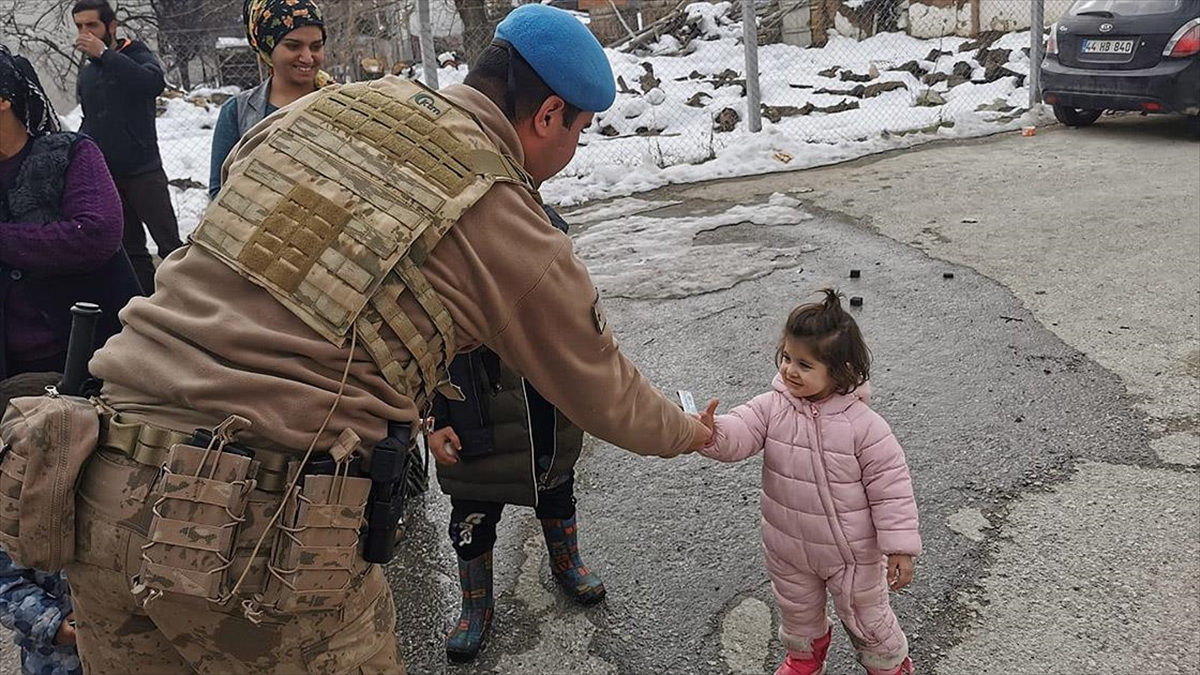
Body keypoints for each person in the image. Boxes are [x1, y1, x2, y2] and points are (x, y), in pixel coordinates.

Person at [66, 5, 710, 673]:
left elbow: (244, 213)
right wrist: (692, 432)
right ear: (549, 115)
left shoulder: (328, 110)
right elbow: (606, 394)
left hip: (99, 486)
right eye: (579, 131)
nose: (573, 153)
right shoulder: (507, 218)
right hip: (252, 535)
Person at [0, 44, 137, 675]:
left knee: (102, 525)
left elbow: (95, 233)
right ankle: (55, 641)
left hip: (97, 371)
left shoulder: (70, 155)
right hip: (12, 386)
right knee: (28, 538)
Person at [698, 289, 921, 675]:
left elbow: (892, 488)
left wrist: (900, 547)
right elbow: (740, 432)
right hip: (788, 547)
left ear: (840, 370)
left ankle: (889, 664)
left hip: (851, 554)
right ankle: (804, 657)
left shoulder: (863, 426)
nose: (789, 371)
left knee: (868, 619)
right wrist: (710, 433)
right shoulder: (771, 406)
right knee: (797, 612)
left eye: (804, 364)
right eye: (786, 357)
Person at [427, 204, 603, 662]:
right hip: (473, 420)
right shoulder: (448, 273)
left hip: (546, 417)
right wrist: (434, 417)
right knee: (473, 514)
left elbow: (589, 341)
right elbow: (422, 356)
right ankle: (475, 604)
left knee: (557, 491)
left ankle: (567, 563)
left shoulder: (552, 259)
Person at [73, 0, 182, 295]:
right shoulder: (88, 72)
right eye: (79, 26)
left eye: (91, 25)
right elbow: (91, 118)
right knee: (132, 252)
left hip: (144, 171)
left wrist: (105, 54)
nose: (85, 33)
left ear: (111, 26)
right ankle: (148, 311)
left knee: (171, 248)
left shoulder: (135, 53)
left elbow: (152, 83)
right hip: (109, 176)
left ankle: (189, 308)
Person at [209, 0, 333, 198]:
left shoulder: (343, 103)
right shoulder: (238, 113)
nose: (308, 57)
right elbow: (219, 194)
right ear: (267, 50)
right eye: (293, 46)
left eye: (316, 46)